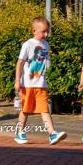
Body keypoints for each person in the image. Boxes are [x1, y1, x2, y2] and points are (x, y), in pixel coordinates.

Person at [14, 17, 66, 145]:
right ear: (34, 31)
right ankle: (19, 132)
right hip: (27, 84)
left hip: (41, 84)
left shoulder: (46, 44)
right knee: (25, 110)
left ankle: (52, 134)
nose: (46, 34)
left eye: (47, 31)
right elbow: (20, 63)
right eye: (43, 31)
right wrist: (17, 81)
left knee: (44, 110)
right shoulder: (28, 44)